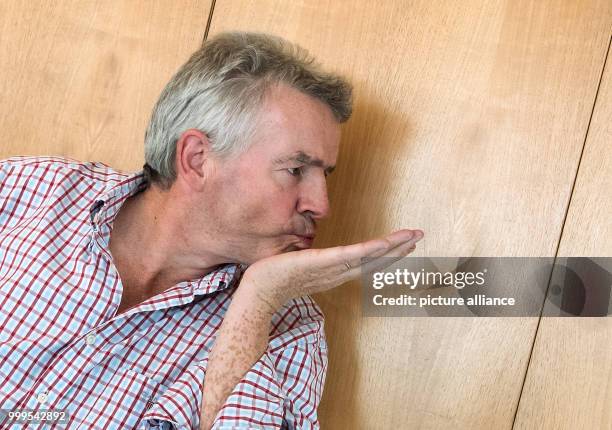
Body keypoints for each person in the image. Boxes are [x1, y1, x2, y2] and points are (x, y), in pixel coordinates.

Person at [0, 31, 423, 429]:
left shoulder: (289, 330)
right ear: (198, 158)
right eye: (296, 169)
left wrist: (259, 298)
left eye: (324, 175)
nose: (322, 205)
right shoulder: (26, 192)